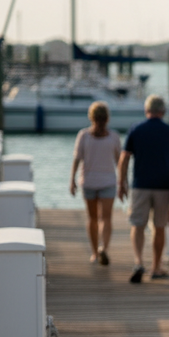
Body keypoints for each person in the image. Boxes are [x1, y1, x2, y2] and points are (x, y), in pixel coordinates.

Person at [117, 94, 169, 283]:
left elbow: (124, 159)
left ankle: (139, 262)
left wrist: (121, 183)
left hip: (140, 186)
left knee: (137, 225)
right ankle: (156, 267)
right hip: (163, 187)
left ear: (146, 110)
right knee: (159, 227)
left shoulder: (136, 129)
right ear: (163, 112)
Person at [70, 101, 120, 265]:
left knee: (92, 218)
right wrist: (123, 182)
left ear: (91, 117)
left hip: (89, 182)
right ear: (107, 118)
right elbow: (120, 162)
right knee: (105, 218)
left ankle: (94, 253)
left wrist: (72, 181)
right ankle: (103, 248)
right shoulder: (114, 136)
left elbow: (76, 160)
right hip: (108, 182)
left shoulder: (83, 135)